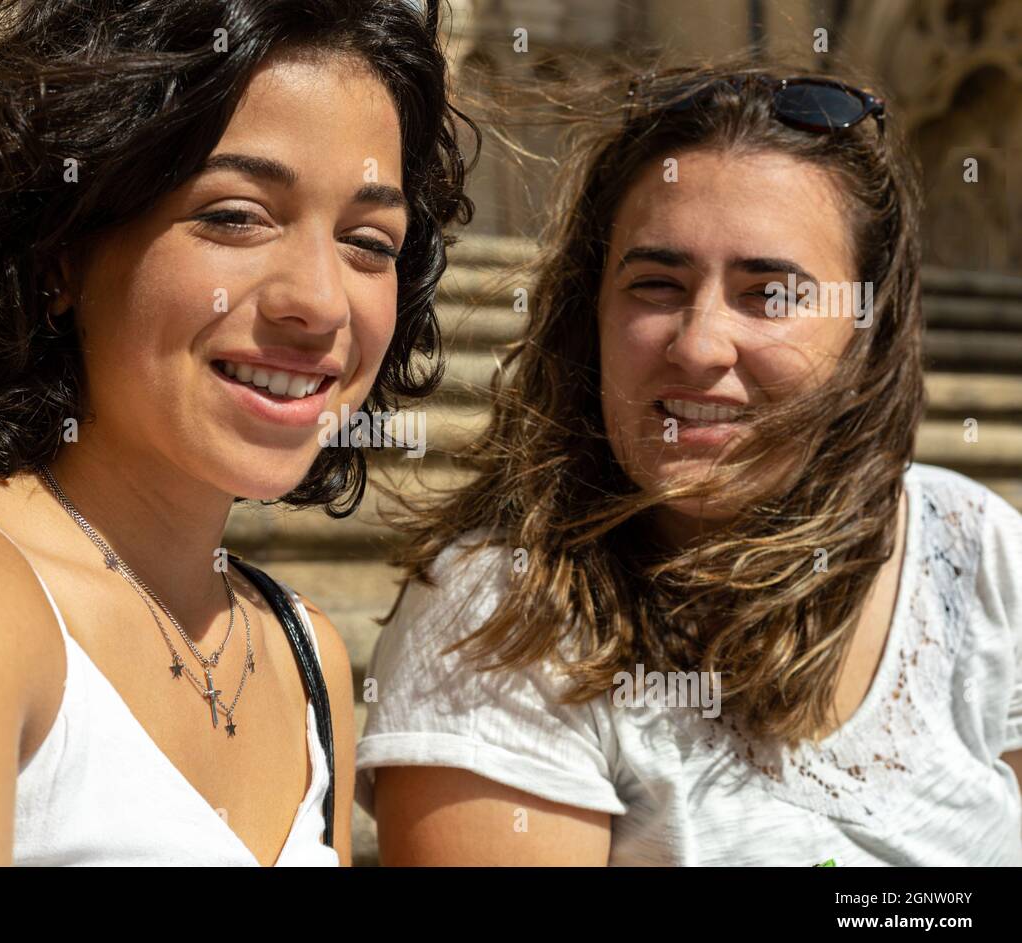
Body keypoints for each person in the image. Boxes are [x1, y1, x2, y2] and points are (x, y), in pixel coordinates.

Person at [0, 0, 474, 866]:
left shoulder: (306, 657)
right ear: (61, 260)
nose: (319, 300)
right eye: (234, 215)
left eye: (368, 241)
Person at [357, 59, 1022, 865]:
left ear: (866, 333)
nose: (701, 344)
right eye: (657, 284)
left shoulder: (975, 550)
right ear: (588, 312)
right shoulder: (501, 618)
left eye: (769, 294)